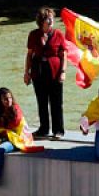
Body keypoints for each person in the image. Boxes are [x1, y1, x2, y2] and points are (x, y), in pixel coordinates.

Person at [24, 8, 66, 140]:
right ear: (41, 21)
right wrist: (27, 72)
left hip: (54, 71)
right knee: (41, 101)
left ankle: (58, 130)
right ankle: (43, 128)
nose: (51, 20)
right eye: (48, 18)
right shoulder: (33, 35)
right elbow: (30, 54)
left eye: (52, 18)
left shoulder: (58, 34)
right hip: (38, 71)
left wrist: (63, 72)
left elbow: (64, 54)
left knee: (56, 102)